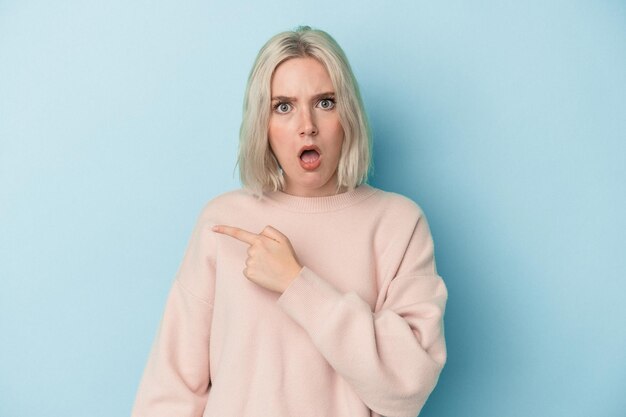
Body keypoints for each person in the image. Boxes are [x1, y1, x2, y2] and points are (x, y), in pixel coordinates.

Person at [131, 26, 447, 417]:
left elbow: (407, 385)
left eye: (325, 102)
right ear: (262, 124)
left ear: (348, 114)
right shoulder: (223, 222)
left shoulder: (398, 224)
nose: (307, 124)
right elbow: (171, 389)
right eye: (283, 106)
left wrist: (296, 284)